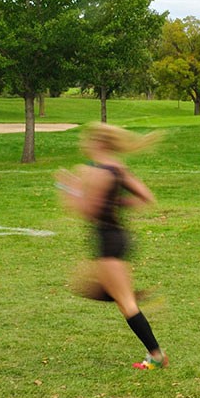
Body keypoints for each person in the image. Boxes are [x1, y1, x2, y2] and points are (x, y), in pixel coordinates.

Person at [55, 123, 168, 371]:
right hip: (119, 238)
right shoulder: (117, 168)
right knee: (112, 296)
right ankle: (133, 300)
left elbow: (87, 210)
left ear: (98, 143)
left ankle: (157, 355)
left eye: (87, 138)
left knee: (124, 302)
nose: (83, 142)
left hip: (107, 240)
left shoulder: (95, 172)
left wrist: (67, 188)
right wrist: (115, 202)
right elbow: (145, 197)